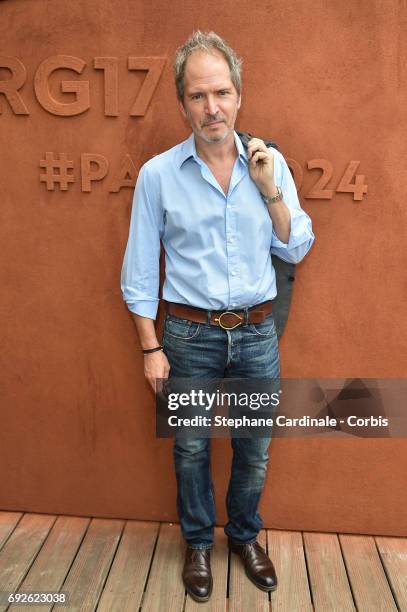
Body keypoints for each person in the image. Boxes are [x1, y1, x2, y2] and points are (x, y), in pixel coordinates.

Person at [121, 31, 314, 603]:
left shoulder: (269, 161)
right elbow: (138, 270)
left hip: (256, 333)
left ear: (239, 96)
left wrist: (269, 190)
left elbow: (296, 246)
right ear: (182, 104)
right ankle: (200, 543)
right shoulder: (159, 175)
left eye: (222, 93)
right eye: (199, 96)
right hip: (187, 336)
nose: (213, 108)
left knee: (255, 445)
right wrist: (150, 347)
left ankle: (246, 536)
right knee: (191, 446)